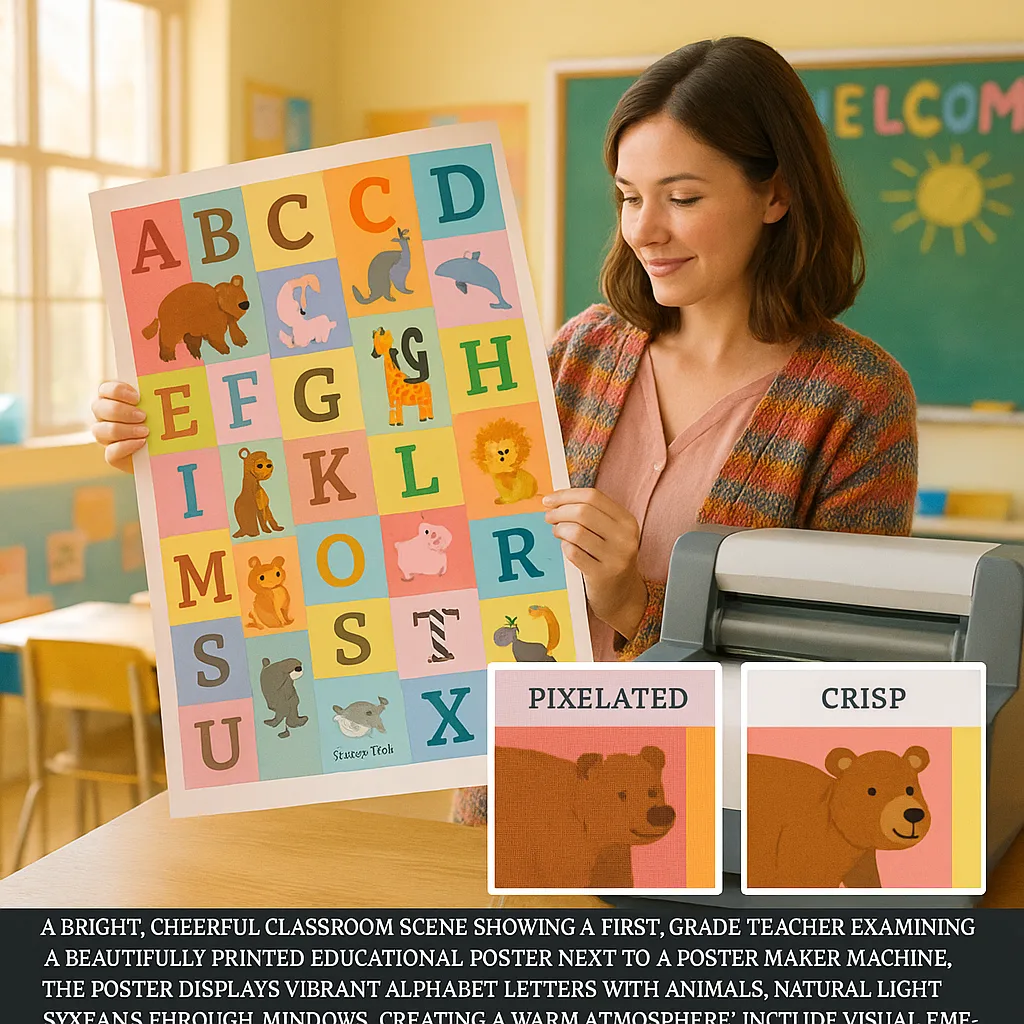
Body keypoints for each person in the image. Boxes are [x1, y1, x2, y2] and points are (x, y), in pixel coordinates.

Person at [91, 37, 918, 829]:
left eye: (684, 197)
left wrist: (636, 602)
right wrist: (176, 426)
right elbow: (390, 485)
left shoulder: (858, 402)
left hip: (704, 820)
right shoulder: (581, 352)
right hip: (516, 789)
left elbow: (835, 683)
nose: (645, 230)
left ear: (775, 194)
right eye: (629, 197)